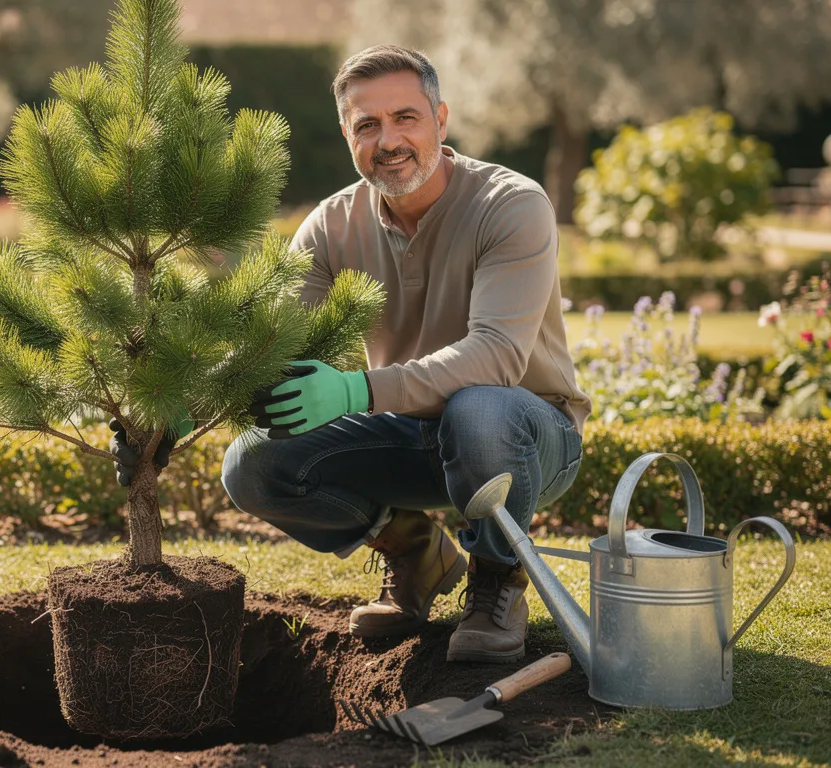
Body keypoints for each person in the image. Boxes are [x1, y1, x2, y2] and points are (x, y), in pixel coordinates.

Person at [109, 44, 591, 664]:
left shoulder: (511, 204)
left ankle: (496, 582)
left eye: (405, 118)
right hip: (410, 434)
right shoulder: (332, 225)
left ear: (441, 120)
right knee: (253, 464)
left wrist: (355, 391)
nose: (388, 140)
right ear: (346, 134)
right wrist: (170, 413)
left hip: (526, 435)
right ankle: (415, 551)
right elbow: (273, 345)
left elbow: (496, 358)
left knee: (480, 410)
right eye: (367, 125)